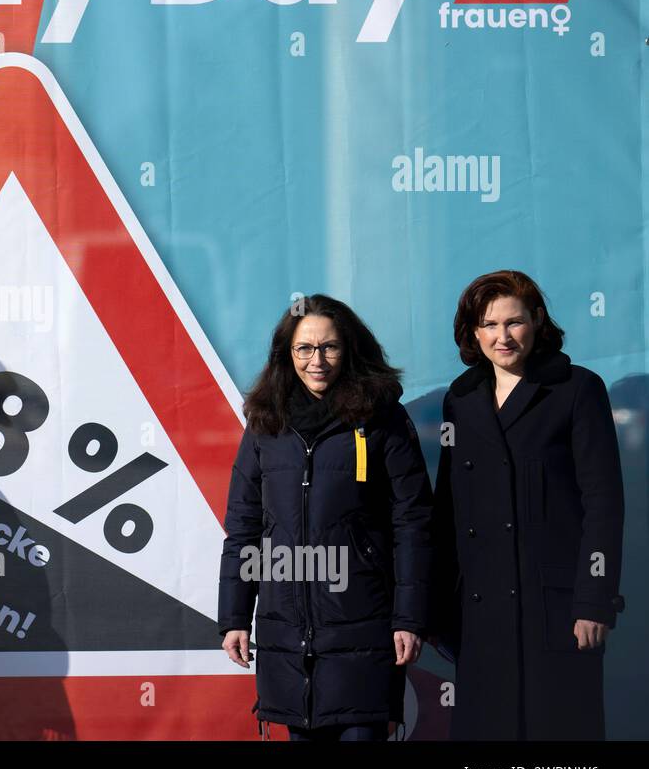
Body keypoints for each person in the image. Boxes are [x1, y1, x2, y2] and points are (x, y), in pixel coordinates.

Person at [217, 294, 434, 740]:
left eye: (330, 347)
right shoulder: (265, 422)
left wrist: (409, 618)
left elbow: (412, 525)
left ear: (349, 349)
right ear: (287, 353)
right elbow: (244, 527)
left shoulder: (382, 420)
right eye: (305, 349)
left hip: (365, 628)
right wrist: (235, 616)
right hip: (287, 633)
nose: (317, 361)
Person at [431, 270, 625, 739]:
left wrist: (594, 601)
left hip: (556, 611)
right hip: (479, 614)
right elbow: (446, 508)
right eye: (490, 325)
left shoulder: (577, 388)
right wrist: (436, 609)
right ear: (473, 333)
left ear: (537, 321)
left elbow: (603, 502)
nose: (503, 337)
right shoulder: (460, 400)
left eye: (514, 322)